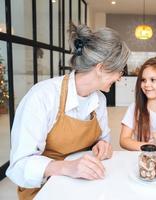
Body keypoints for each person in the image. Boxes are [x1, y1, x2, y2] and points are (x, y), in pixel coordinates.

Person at [6, 24, 130, 199]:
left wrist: (102, 145)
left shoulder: (99, 100)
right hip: (45, 187)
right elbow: (19, 165)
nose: (120, 77)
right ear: (101, 68)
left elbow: (102, 138)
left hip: (83, 184)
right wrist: (67, 167)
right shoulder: (43, 96)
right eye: (119, 70)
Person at [120, 57, 156, 151]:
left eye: (152, 80)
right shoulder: (135, 108)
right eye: (143, 80)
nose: (146, 84)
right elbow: (124, 140)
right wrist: (148, 147)